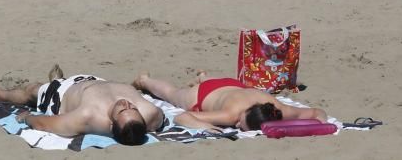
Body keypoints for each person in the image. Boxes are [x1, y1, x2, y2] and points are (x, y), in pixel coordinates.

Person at [0, 67, 165, 145]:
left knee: (32, 90)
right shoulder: (150, 113)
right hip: (89, 81)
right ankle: (59, 79)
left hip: (58, 94)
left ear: (111, 124)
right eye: (133, 109)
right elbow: (157, 117)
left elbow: (47, 124)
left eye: (123, 110)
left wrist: (27, 117)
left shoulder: (87, 116)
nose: (126, 104)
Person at [133, 71, 327, 132]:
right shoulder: (231, 115)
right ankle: (145, 80)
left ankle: (204, 76)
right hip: (203, 94)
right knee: (173, 94)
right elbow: (183, 117)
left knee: (211, 85)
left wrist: (323, 124)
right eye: (241, 124)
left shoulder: (278, 109)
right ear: (242, 116)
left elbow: (318, 113)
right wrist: (204, 126)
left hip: (232, 84)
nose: (236, 125)